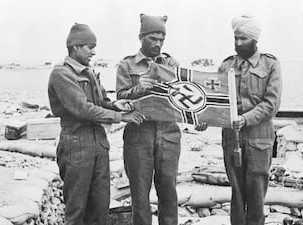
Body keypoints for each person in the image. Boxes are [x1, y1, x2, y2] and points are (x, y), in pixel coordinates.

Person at [48, 23, 145, 225]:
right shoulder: (61, 74)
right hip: (76, 144)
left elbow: (100, 102)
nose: (94, 51)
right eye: (90, 46)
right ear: (75, 47)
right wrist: (122, 117)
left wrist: (115, 105)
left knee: (100, 208)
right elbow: (83, 109)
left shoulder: (89, 72)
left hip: (98, 143)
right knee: (77, 210)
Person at [116, 14, 206, 225]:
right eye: (152, 39)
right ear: (141, 37)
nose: (157, 44)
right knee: (139, 194)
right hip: (138, 136)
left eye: (161, 39)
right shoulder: (126, 65)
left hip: (169, 135)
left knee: (168, 191)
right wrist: (139, 89)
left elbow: (186, 96)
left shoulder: (171, 64)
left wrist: (198, 118)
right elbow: (120, 98)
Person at [218, 15, 282, 225]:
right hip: (231, 139)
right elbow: (216, 100)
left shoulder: (270, 64)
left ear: (255, 39)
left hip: (259, 139)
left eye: (243, 39)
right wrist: (203, 118)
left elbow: (271, 104)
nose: (238, 43)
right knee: (236, 194)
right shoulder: (226, 65)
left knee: (256, 194)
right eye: (235, 38)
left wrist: (245, 119)